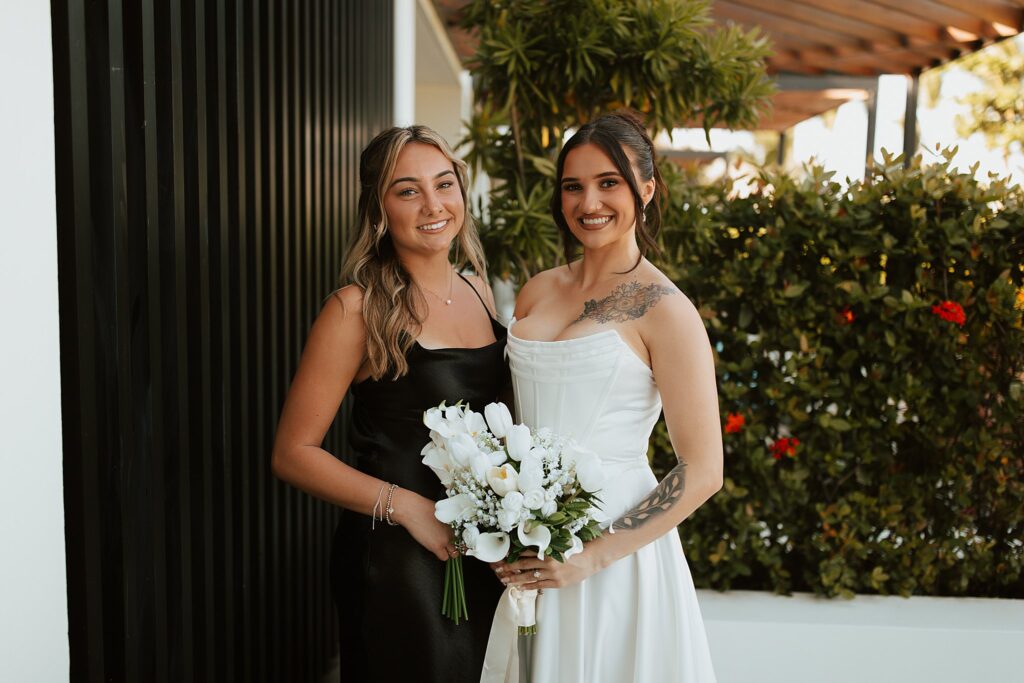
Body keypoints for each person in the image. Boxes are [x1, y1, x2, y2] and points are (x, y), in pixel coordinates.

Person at [481, 111, 721, 682]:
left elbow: (704, 469)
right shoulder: (538, 290)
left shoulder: (666, 310)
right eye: (573, 186)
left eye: (608, 182)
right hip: (529, 536)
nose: (589, 202)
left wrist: (592, 556)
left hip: (613, 551)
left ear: (647, 189)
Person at [272, 125, 508, 682]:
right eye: (407, 191)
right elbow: (293, 453)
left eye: (444, 184)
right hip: (400, 557)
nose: (433, 205)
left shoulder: (479, 289)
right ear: (379, 209)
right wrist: (409, 509)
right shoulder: (355, 309)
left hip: (480, 546)